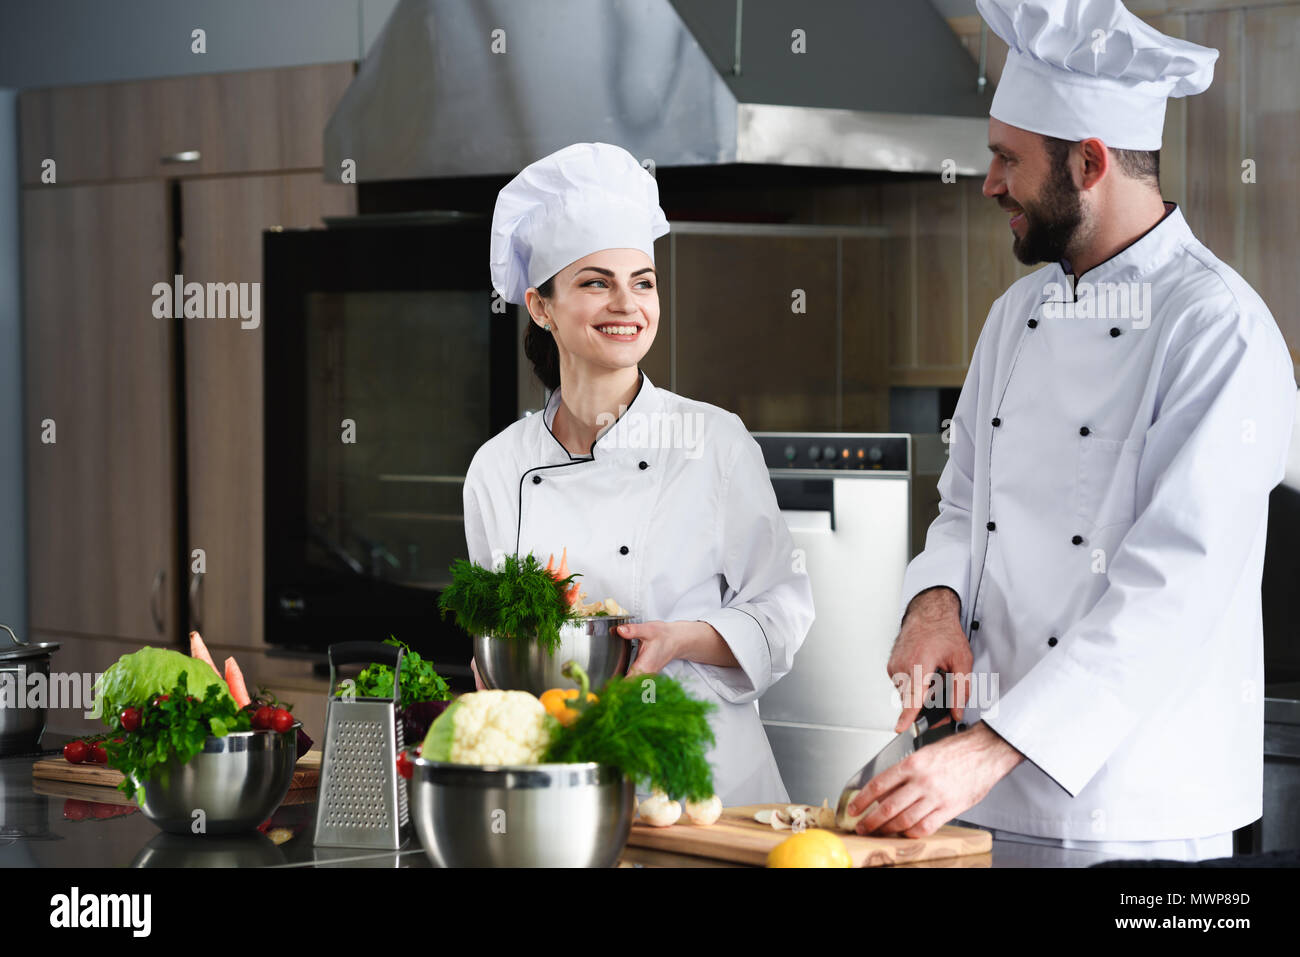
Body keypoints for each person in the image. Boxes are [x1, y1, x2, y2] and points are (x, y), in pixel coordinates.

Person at [846, 0, 1297, 862]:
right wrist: (934, 603)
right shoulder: (1015, 315)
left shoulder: (1219, 329)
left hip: (1134, 808)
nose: (989, 183)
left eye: (1007, 159)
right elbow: (964, 506)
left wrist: (992, 748)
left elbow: (1172, 589)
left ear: (1089, 163)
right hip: (977, 792)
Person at [463, 142, 815, 806]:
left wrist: (679, 640)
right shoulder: (498, 468)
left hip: (705, 783)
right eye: (596, 282)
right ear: (540, 306)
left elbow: (781, 612)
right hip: (563, 782)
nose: (627, 304)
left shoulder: (713, 441)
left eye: (643, 282)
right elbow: (497, 635)